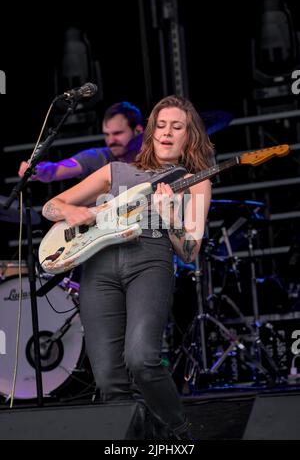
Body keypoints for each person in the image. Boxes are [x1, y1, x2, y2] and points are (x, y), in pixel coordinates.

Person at [41, 95, 214, 439]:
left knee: (142, 359)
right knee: (107, 377)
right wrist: (71, 212)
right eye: (160, 126)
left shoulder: (196, 180)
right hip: (99, 268)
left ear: (188, 136)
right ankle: (140, 439)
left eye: (176, 127)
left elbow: (190, 252)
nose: (166, 133)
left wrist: (170, 218)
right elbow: (51, 205)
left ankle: (182, 432)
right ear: (150, 133)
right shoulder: (116, 170)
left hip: (149, 261)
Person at [18, 101, 144, 182]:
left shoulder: (157, 155)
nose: (111, 141)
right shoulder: (97, 157)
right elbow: (59, 168)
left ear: (138, 131)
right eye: (107, 134)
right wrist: (38, 169)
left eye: (117, 133)